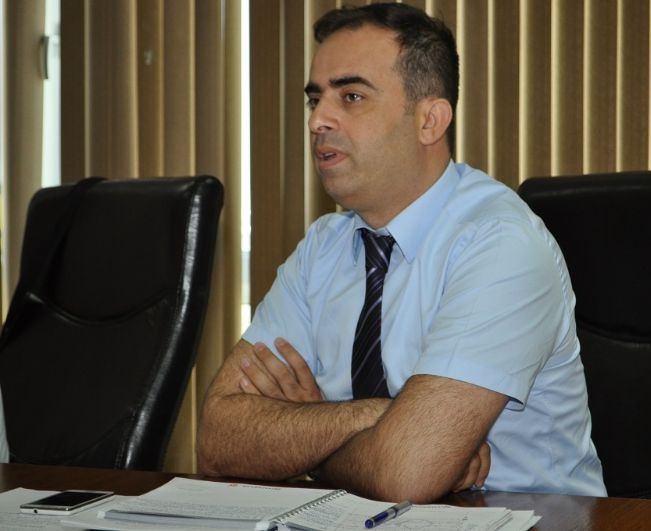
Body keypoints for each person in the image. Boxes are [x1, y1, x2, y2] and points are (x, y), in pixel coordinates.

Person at [197, 2, 605, 503]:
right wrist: (378, 417)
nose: (318, 120)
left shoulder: (500, 244)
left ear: (430, 120)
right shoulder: (324, 246)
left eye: (351, 96)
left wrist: (304, 436)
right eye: (315, 99)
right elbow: (218, 439)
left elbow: (406, 475)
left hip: (530, 517)